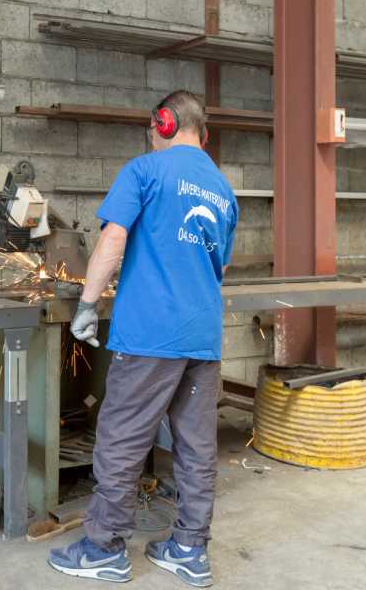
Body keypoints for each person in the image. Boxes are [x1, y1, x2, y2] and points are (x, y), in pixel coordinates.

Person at [47, 90, 239, 587]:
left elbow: (112, 240)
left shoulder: (144, 171)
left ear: (164, 124)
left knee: (121, 439)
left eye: (153, 129)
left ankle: (104, 548)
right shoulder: (223, 189)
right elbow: (217, 265)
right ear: (205, 133)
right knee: (196, 447)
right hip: (203, 336)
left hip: (151, 334)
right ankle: (190, 550)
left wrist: (88, 305)